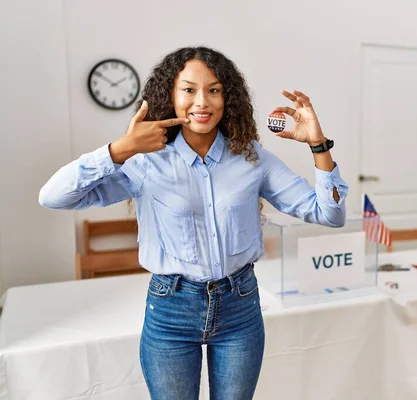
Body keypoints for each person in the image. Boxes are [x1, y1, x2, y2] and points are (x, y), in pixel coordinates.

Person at [39, 46, 348, 400]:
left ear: (226, 98)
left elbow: (330, 213)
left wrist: (318, 145)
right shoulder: (144, 162)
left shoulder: (251, 158)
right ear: (170, 95)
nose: (202, 102)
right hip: (171, 310)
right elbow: (53, 197)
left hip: (240, 309)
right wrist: (119, 149)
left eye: (214, 90)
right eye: (188, 89)